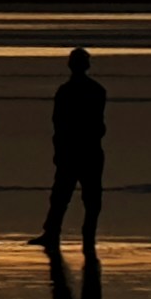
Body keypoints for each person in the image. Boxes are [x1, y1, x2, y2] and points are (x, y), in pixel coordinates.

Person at [43, 46, 105, 246]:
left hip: (75, 150)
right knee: (86, 197)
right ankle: (86, 235)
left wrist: (59, 149)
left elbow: (59, 124)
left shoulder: (67, 91)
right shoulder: (96, 90)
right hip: (88, 150)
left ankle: (54, 233)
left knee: (63, 195)